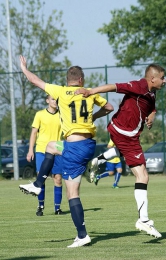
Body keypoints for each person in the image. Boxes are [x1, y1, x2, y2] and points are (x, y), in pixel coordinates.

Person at [18, 55, 114, 248]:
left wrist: (24, 67)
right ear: (81, 80)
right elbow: (110, 107)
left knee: (72, 194)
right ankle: (39, 183)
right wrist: (93, 117)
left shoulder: (60, 91)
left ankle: (82, 235)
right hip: (85, 146)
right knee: (52, 146)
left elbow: (34, 80)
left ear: (67, 80)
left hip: (74, 148)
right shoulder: (87, 92)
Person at [75, 63, 166, 238]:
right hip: (126, 135)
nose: (164, 81)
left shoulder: (152, 93)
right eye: (162, 78)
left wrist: (151, 116)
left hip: (122, 133)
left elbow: (152, 107)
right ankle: (143, 220)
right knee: (143, 176)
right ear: (152, 78)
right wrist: (90, 91)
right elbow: (114, 87)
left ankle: (97, 161)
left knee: (123, 154)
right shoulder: (137, 86)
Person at [27, 95, 64, 216]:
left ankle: (57, 209)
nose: (55, 102)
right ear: (47, 100)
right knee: (41, 179)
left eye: (57, 100)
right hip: (42, 150)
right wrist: (30, 150)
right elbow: (33, 133)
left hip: (58, 149)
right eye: (53, 99)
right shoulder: (40, 114)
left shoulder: (62, 114)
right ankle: (40, 206)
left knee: (57, 179)